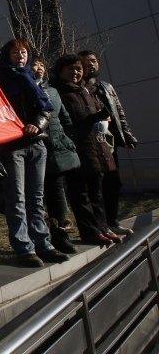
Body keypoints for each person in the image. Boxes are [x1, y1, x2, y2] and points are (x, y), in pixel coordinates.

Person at [0, 39, 69, 267]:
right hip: (12, 145)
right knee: (16, 198)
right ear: (7, 55)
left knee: (36, 198)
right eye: (15, 52)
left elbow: (46, 109)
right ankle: (24, 248)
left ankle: (43, 244)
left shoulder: (32, 80)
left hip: (37, 143)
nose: (20, 56)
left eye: (24, 52)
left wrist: (37, 123)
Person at [53, 54, 121, 246]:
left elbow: (96, 111)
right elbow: (68, 123)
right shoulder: (59, 93)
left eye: (78, 69)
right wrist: (92, 119)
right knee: (81, 194)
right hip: (76, 149)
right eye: (71, 69)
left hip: (96, 146)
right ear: (60, 71)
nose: (76, 72)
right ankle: (90, 231)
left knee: (96, 192)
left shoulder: (86, 90)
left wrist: (103, 116)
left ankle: (102, 227)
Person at [80, 50, 138, 236]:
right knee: (95, 187)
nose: (91, 64)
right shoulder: (78, 87)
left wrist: (127, 135)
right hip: (89, 143)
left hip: (108, 141)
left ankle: (112, 221)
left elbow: (119, 113)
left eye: (94, 61)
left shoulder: (106, 87)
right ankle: (100, 225)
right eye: (86, 61)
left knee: (114, 182)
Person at [30, 58, 79, 254]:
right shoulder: (22, 90)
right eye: (35, 64)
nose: (39, 67)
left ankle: (60, 235)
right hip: (35, 148)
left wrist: (66, 139)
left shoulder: (52, 92)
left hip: (57, 149)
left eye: (42, 64)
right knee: (36, 197)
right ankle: (40, 238)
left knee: (58, 193)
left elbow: (65, 119)